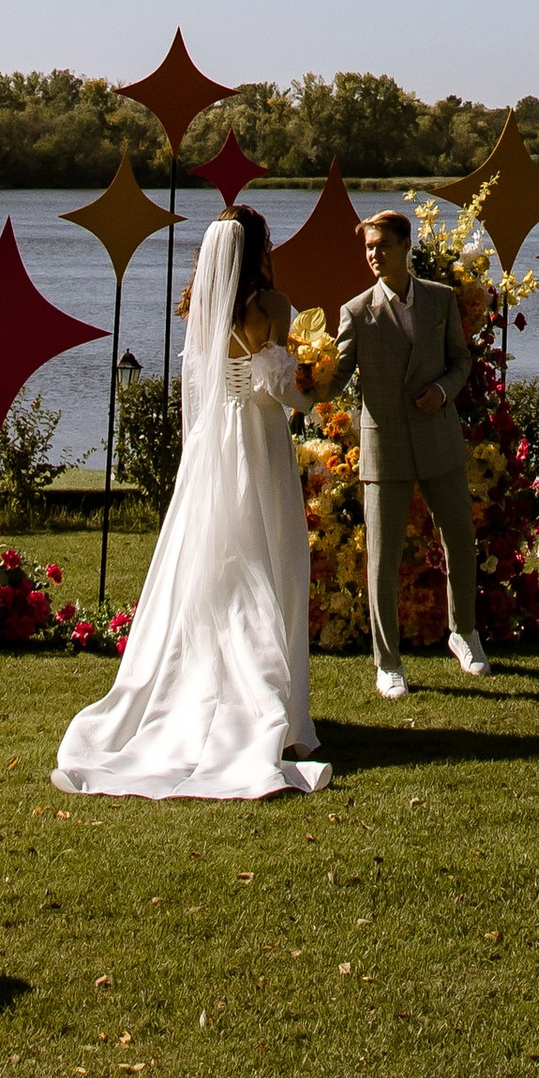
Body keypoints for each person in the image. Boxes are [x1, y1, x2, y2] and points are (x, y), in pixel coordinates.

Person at [54, 205, 329, 801]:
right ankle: (267, 701)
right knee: (268, 559)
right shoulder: (272, 307)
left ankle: (210, 689)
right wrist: (316, 385)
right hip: (256, 440)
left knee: (213, 569)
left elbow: (205, 386)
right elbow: (280, 389)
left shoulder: (203, 311)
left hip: (211, 447)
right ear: (258, 246)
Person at [323, 210, 490, 702]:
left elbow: (462, 360)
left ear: (404, 247)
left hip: (439, 440)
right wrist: (300, 381)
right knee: (382, 560)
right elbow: (336, 378)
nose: (373, 255)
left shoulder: (440, 300)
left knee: (460, 540)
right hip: (386, 446)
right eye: (368, 248)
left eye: (381, 246)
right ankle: (387, 662)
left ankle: (464, 634)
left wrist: (443, 390)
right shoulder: (355, 312)